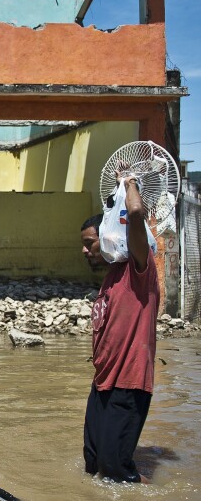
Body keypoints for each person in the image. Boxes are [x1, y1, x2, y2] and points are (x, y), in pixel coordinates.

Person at [79, 174, 158, 483]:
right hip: (102, 383)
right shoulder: (111, 277)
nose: (85, 251)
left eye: (89, 244)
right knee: (93, 463)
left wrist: (129, 182)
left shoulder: (139, 269)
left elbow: (135, 214)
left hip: (129, 381)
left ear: (109, 237)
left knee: (114, 468)